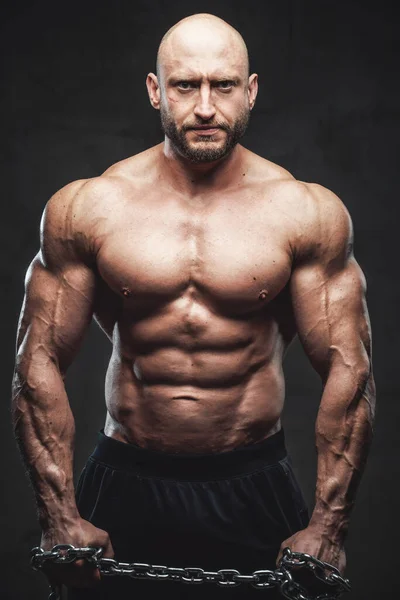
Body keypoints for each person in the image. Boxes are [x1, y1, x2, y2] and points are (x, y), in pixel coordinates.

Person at [12, 12, 376, 600]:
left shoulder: (304, 212)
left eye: (223, 86)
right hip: (125, 474)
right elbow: (36, 361)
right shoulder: (90, 208)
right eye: (185, 86)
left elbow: (350, 371)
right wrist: (58, 513)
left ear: (250, 91)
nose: (205, 107)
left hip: (253, 478)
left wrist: (329, 527)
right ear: (156, 90)